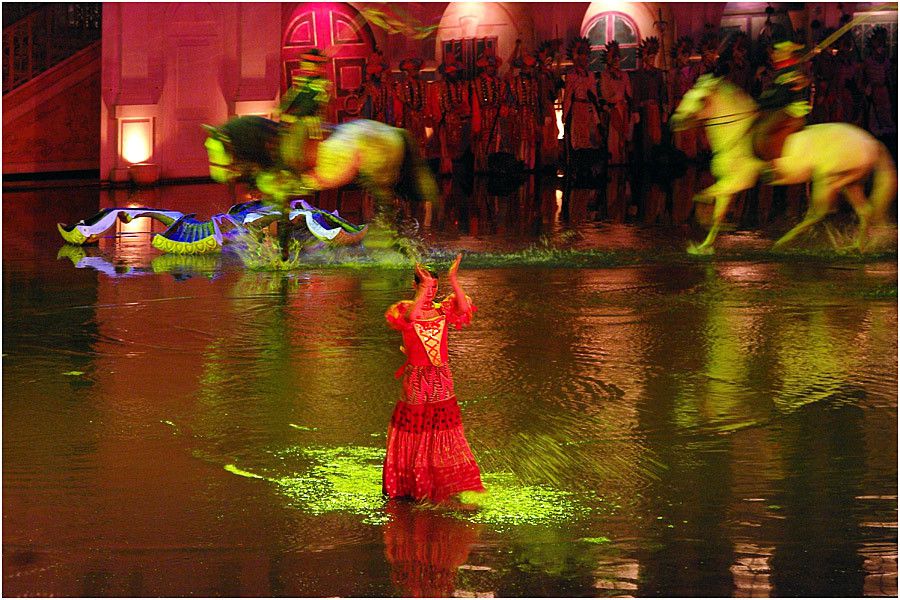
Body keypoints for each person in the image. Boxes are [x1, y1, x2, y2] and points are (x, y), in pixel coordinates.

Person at [383, 255, 484, 503]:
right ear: (415, 285)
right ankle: (414, 484)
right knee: (417, 429)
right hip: (417, 378)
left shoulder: (442, 310)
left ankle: (443, 482)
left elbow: (463, 308)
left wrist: (453, 279)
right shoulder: (406, 309)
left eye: (435, 287)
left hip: (440, 376)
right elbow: (410, 319)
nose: (431, 292)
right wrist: (424, 290)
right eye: (426, 286)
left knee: (443, 429)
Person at [751, 39, 811, 167]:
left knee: (766, 127)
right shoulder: (782, 70)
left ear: (785, 53)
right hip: (781, 105)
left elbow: (780, 96)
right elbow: (772, 92)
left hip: (791, 108)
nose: (773, 55)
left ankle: (772, 163)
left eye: (776, 52)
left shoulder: (790, 72)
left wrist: (761, 105)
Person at [598, 40, 633, 165]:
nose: (617, 60)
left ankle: (623, 161)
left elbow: (629, 93)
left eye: (618, 57)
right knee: (613, 136)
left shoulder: (624, 75)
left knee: (624, 135)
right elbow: (605, 93)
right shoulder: (605, 75)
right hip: (613, 109)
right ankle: (614, 161)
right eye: (614, 57)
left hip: (623, 108)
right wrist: (611, 103)